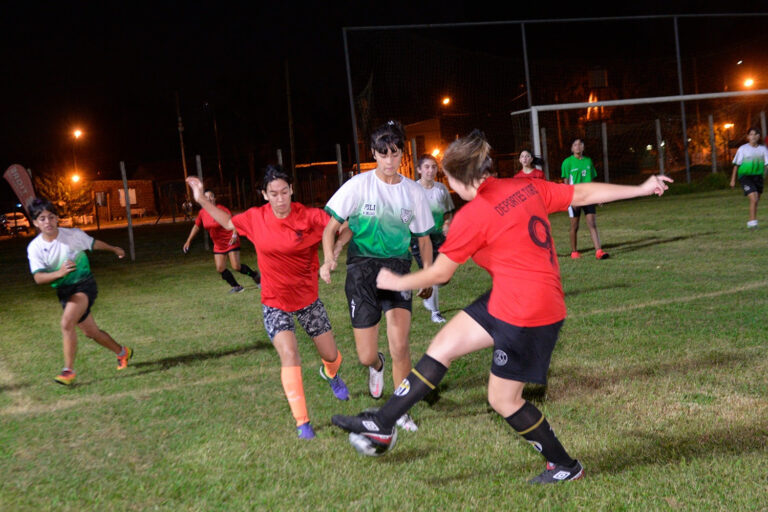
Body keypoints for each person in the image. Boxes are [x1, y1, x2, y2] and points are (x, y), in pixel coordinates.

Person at [332, 130, 672, 483]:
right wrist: (641, 188)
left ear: (464, 179)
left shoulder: (472, 215)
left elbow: (441, 274)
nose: (450, 187)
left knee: (503, 400)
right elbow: (582, 192)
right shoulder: (523, 186)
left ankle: (565, 466)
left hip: (528, 313)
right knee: (443, 346)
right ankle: (383, 422)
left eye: (450, 179)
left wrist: (397, 282)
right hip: (513, 296)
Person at [186, 166, 349, 440]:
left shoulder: (309, 216)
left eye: (284, 191)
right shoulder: (255, 218)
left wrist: (333, 252)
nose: (280, 198)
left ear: (292, 190)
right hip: (275, 302)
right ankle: (303, 422)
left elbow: (344, 228)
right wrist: (201, 199)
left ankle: (331, 374)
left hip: (308, 299)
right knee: (290, 355)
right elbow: (227, 222)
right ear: (264, 195)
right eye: (273, 193)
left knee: (331, 355)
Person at [320, 120, 435, 432]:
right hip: (361, 271)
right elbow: (331, 228)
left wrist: (427, 273)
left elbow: (423, 239)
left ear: (403, 155)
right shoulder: (358, 186)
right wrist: (329, 258)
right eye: (383, 155)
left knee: (401, 345)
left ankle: (401, 411)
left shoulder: (413, 193)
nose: (389, 162)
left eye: (395, 155)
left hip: (397, 269)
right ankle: (377, 365)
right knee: (366, 354)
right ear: (374, 154)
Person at [26, 197, 133, 386]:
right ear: (35, 223)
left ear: (57, 218)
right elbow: (38, 278)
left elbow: (93, 243)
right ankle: (123, 352)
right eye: (42, 219)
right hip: (64, 291)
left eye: (51, 217)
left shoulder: (72, 235)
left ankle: (68, 371)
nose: (47, 222)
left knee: (67, 323)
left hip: (84, 285)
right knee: (91, 332)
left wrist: (114, 249)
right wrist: (59, 273)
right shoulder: (34, 248)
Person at [182, 189, 260, 293]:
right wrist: (188, 241)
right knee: (220, 268)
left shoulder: (222, 209)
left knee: (236, 266)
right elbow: (196, 226)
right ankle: (236, 286)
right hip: (218, 245)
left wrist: (235, 234)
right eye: (206, 198)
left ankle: (254, 275)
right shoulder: (202, 213)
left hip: (230, 241)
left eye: (211, 197)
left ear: (214, 198)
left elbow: (234, 222)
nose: (209, 199)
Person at [410, 154, 455, 324]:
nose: (430, 170)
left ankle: (425, 288)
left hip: (439, 238)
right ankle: (435, 312)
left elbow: (448, 213)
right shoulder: (411, 190)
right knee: (433, 274)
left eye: (434, 167)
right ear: (419, 170)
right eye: (427, 167)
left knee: (444, 276)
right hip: (419, 239)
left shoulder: (441, 189)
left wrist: (447, 224)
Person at [561, 138, 609, 260]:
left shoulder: (588, 161)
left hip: (588, 197)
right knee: (575, 226)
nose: (578, 146)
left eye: (580, 144)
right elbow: (566, 183)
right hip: (575, 197)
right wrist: (569, 199)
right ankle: (574, 252)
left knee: (592, 223)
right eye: (575, 144)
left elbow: (591, 180)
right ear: (572, 148)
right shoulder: (567, 162)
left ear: (583, 147)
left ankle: (599, 251)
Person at [729, 127, 768, 229]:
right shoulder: (743, 149)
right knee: (753, 199)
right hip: (745, 176)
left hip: (758, 177)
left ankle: (752, 221)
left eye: (756, 134)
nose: (753, 136)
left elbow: (767, 164)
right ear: (748, 137)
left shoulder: (763, 149)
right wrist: (733, 179)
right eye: (751, 134)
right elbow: (736, 165)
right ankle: (752, 223)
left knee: (756, 200)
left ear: (759, 137)